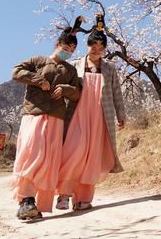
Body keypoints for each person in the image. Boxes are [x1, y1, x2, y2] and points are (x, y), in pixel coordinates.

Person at [10, 18, 82, 220]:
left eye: (72, 49)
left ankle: (38, 204)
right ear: (58, 45)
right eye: (66, 46)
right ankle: (26, 200)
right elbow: (16, 72)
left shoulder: (70, 70)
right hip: (35, 114)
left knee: (49, 160)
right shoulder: (38, 61)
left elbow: (77, 93)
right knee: (32, 154)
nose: (69, 51)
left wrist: (66, 89)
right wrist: (38, 80)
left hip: (57, 118)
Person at [56, 13, 126, 211]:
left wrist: (121, 115)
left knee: (92, 156)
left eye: (100, 49)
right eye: (93, 47)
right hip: (77, 114)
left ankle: (83, 198)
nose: (96, 51)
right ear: (87, 46)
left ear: (104, 49)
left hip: (100, 117)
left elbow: (116, 94)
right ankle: (64, 195)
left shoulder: (110, 69)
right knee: (73, 152)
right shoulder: (75, 65)